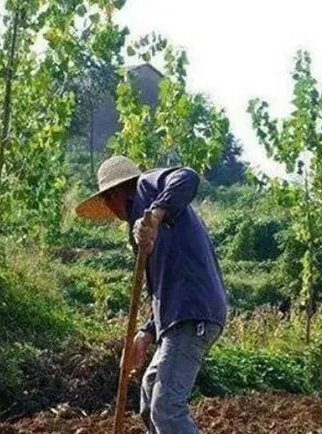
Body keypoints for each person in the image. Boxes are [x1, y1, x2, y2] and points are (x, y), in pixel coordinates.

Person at [75, 155, 228, 434]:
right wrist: (146, 333)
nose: (109, 208)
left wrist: (156, 215)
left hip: (193, 310)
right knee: (148, 396)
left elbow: (188, 176)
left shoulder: (148, 187)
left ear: (116, 193)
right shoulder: (137, 230)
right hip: (175, 317)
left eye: (108, 199)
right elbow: (157, 286)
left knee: (167, 409)